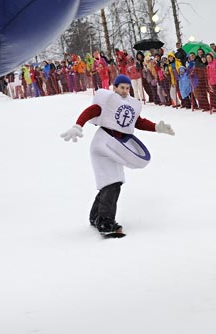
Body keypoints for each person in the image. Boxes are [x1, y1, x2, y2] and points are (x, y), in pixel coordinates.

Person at [59, 75, 175, 236]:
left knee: (112, 182)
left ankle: (96, 216)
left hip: (115, 147)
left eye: (127, 88)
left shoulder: (129, 105)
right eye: (122, 88)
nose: (125, 91)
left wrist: (156, 127)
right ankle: (106, 223)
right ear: (115, 88)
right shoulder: (108, 101)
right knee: (112, 183)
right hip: (103, 145)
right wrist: (78, 125)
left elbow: (137, 122)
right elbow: (93, 110)